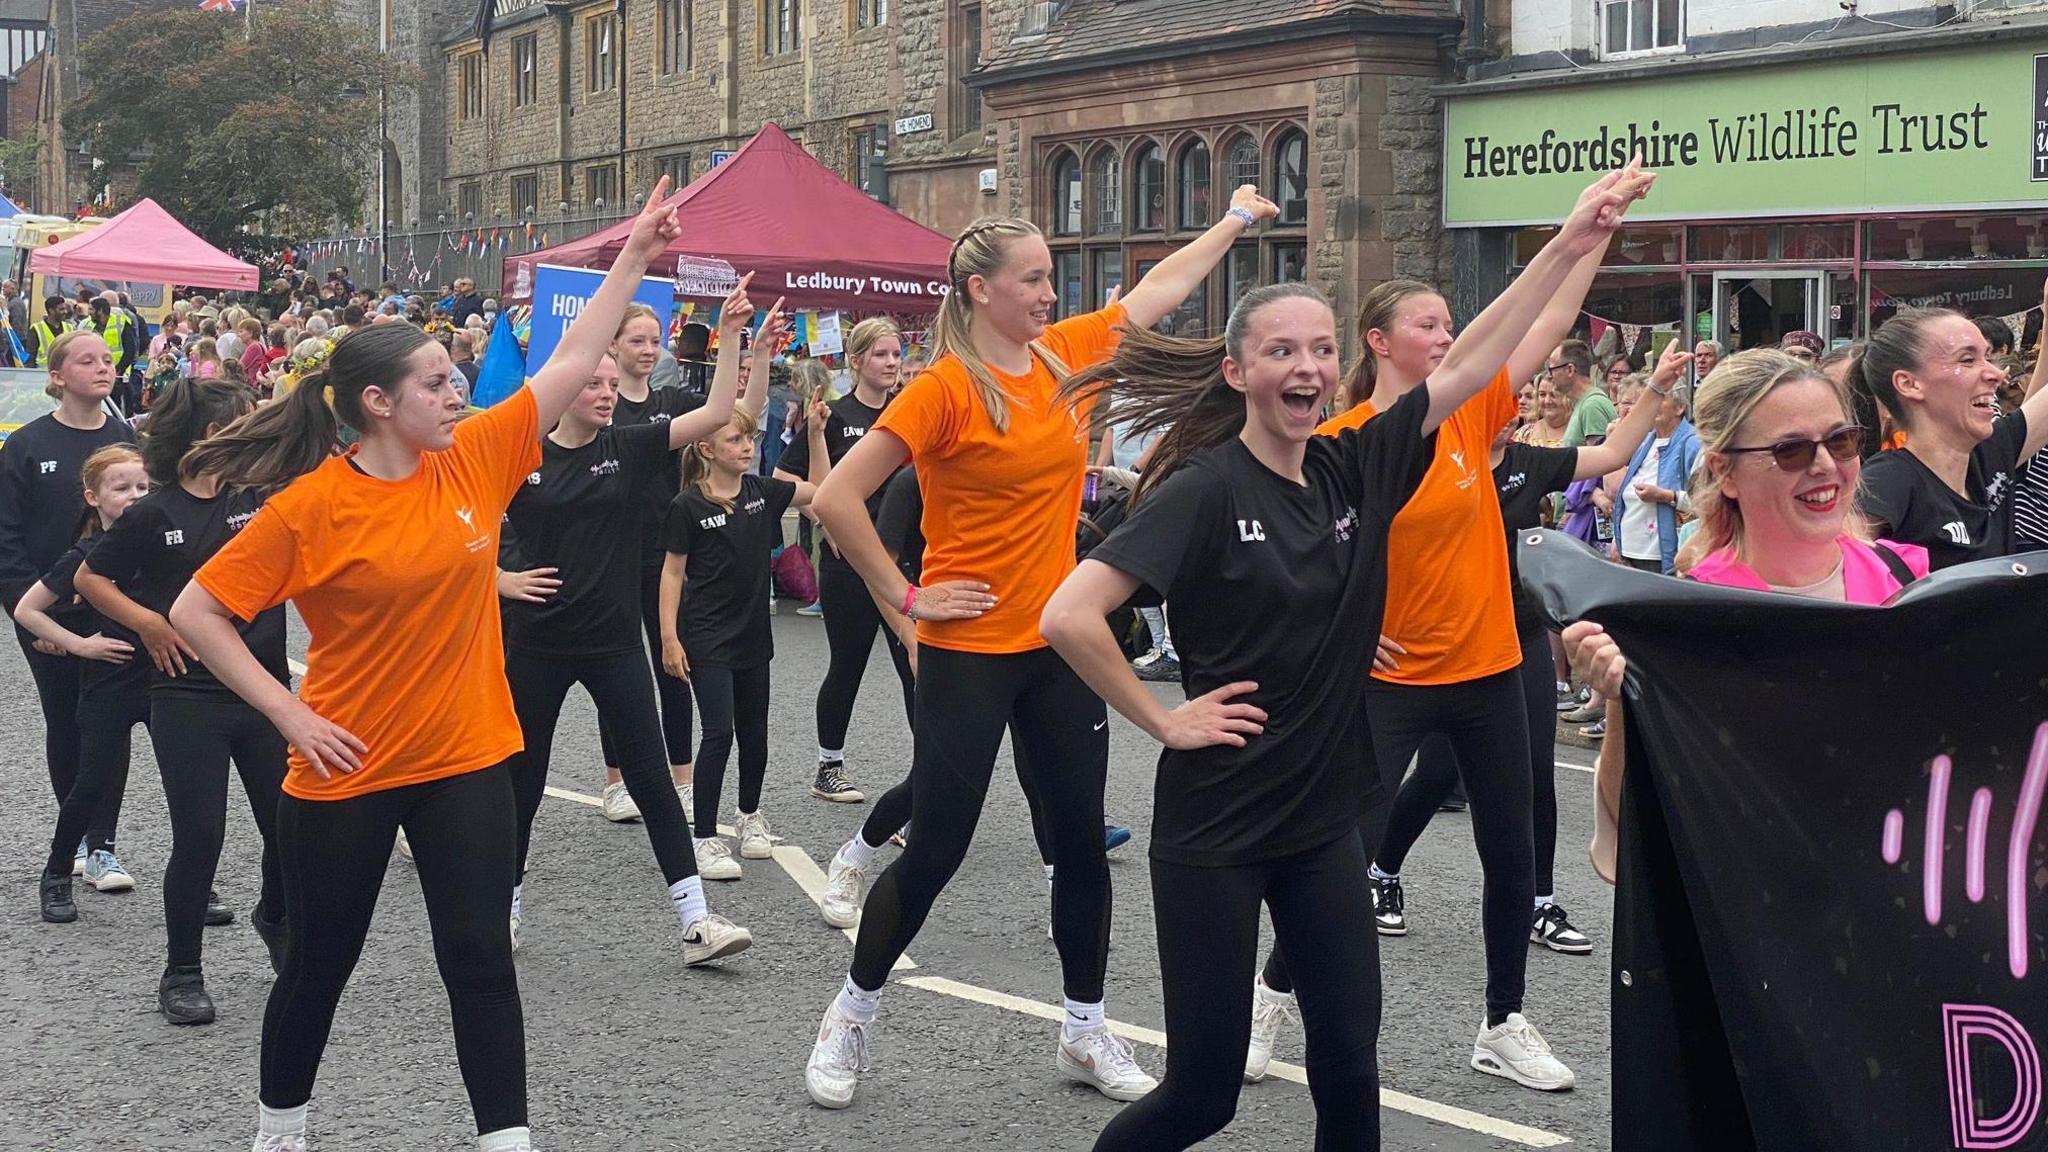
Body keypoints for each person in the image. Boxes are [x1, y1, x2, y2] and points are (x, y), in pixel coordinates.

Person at [1045, 162, 1653, 1150]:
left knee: (1348, 1073)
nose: (1305, 366)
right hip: (1216, 830)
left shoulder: (1351, 461)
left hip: (1322, 823)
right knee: (1203, 1095)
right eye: (1280, 349)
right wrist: (1161, 717)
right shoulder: (1205, 490)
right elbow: (1072, 613)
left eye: (1318, 349)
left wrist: (1568, 241)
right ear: (1238, 371)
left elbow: (1469, 360)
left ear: (1340, 366)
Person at [167, 177, 687, 1152]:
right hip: (343, 775)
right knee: (319, 965)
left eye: (457, 380)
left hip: (468, 763)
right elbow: (197, 611)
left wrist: (635, 256)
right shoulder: (309, 508)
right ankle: (281, 1134)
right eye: (438, 383)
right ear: (377, 402)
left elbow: (574, 357)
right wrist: (289, 715)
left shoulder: (475, 459)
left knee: (482, 962)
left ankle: (507, 1140)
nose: (458, 393)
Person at [801, 185, 1284, 1111]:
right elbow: (835, 501)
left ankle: (1084, 1028)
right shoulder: (945, 386)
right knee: (938, 845)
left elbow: (1159, 294)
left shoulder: (1062, 356)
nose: (1050, 295)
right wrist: (907, 597)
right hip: (969, 649)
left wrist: (1228, 219)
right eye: (1034, 280)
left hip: (1058, 641)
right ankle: (850, 1014)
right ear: (980, 290)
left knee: (1076, 844)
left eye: (1053, 280)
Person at [1247, 173, 1654, 1098]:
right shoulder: (1346, 438)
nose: (1443, 335)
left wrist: (1590, 239)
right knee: (1342, 851)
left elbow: (1541, 327)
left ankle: (1503, 1021)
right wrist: (1342, 637)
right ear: (1380, 342)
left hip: (1486, 669)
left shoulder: (1472, 414)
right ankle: (1274, 990)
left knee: (1512, 853)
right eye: (1427, 325)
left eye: (1448, 324)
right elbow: (1301, 565)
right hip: (1389, 682)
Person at [1360, 338, 1674, 972]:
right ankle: (1380, 869)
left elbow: (1613, 452)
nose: (1514, 407)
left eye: (1523, 399)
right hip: (1440, 646)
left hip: (1516, 635)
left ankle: (1539, 901)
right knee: (1436, 775)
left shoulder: (1530, 462)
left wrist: (1660, 385)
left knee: (1534, 773)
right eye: (1504, 398)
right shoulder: (1430, 458)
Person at [1565, 348, 1933, 882]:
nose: (1825, 465)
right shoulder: (1687, 620)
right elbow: (1626, 840)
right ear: (1725, 472)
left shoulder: (1908, 582)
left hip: (1897, 915)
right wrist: (1624, 697)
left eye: (1841, 440)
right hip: (1754, 928)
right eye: (1790, 450)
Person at [498, 282, 759, 962]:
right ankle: (506, 907)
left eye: (612, 383)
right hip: (536, 645)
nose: (607, 393)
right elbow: (454, 525)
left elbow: (715, 414)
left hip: (613, 644)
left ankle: (697, 922)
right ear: (562, 388)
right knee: (520, 781)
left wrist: (729, 334)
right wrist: (498, 576)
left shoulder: (631, 446)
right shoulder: (520, 454)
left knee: (651, 778)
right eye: (593, 383)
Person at [74, 376, 285, 1025]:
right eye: (239, 423)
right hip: (187, 695)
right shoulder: (153, 512)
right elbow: (89, 578)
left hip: (265, 689)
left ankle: (275, 920)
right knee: (201, 835)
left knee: (291, 828)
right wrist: (148, 622)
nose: (251, 434)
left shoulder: (259, 499)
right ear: (203, 437)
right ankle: (183, 971)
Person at [661, 324, 824, 880]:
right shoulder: (687, 505)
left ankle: (749, 817)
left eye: (750, 441)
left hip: (755, 634)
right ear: (707, 449)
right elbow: (672, 574)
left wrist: (818, 437)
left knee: (757, 731)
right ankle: (705, 837)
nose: (747, 447)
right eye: (735, 441)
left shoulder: (763, 493)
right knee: (719, 731)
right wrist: (668, 638)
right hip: (705, 637)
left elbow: (823, 495)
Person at [0, 332, 135, 884]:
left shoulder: (127, 439)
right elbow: (6, 537)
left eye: (107, 359)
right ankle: (78, 836)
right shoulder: (26, 446)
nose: (102, 367)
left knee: (112, 723)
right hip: (46, 611)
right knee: (67, 720)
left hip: (114, 608)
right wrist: (30, 615)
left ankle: (103, 845)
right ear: (56, 377)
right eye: (87, 360)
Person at [773, 317, 913, 804]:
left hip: (902, 561)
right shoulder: (831, 415)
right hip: (848, 563)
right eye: (880, 355)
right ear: (855, 361)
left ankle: (928, 777)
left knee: (916, 663)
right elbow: (782, 479)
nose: (891, 364)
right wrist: (827, 519)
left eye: (896, 355)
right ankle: (828, 766)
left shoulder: (911, 411)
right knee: (847, 665)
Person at [22, 444, 149, 915]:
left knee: (188, 788)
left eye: (142, 486)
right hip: (108, 682)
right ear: (93, 497)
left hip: (165, 677)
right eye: (121, 488)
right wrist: (80, 645)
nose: (134, 495)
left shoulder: (164, 540)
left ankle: (196, 885)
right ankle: (57, 874)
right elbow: (28, 609)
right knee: (89, 782)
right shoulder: (85, 553)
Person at [592, 302, 704, 823]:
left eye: (654, 340)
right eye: (636, 339)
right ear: (612, 345)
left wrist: (750, 346)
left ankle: (682, 780)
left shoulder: (673, 402)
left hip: (663, 554)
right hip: (610, 552)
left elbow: (733, 413)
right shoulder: (598, 403)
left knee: (672, 663)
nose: (647, 349)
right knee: (617, 667)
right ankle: (617, 782)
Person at [1852, 301, 2048, 569]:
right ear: (1909, 384)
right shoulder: (1888, 480)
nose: (1995, 374)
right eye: (1967, 360)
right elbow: (1838, 566)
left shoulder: (1989, 453)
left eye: (1987, 358)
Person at [1613, 375, 1700, 574]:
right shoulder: (1645, 442)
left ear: (1679, 408)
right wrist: (1618, 540)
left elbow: (1708, 503)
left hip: (1666, 559)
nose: (1652, 404)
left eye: (1661, 398)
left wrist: (1665, 496)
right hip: (1632, 555)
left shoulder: (1692, 443)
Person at [1550, 339, 1615, 448]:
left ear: (1570, 370)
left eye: (1552, 369)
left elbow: (1597, 460)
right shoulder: (1584, 403)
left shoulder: (1592, 405)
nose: (1549, 376)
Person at [1517, 377, 1570, 447]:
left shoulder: (1581, 432)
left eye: (1553, 395)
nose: (1547, 401)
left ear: (1568, 398)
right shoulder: (1524, 433)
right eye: (1542, 394)